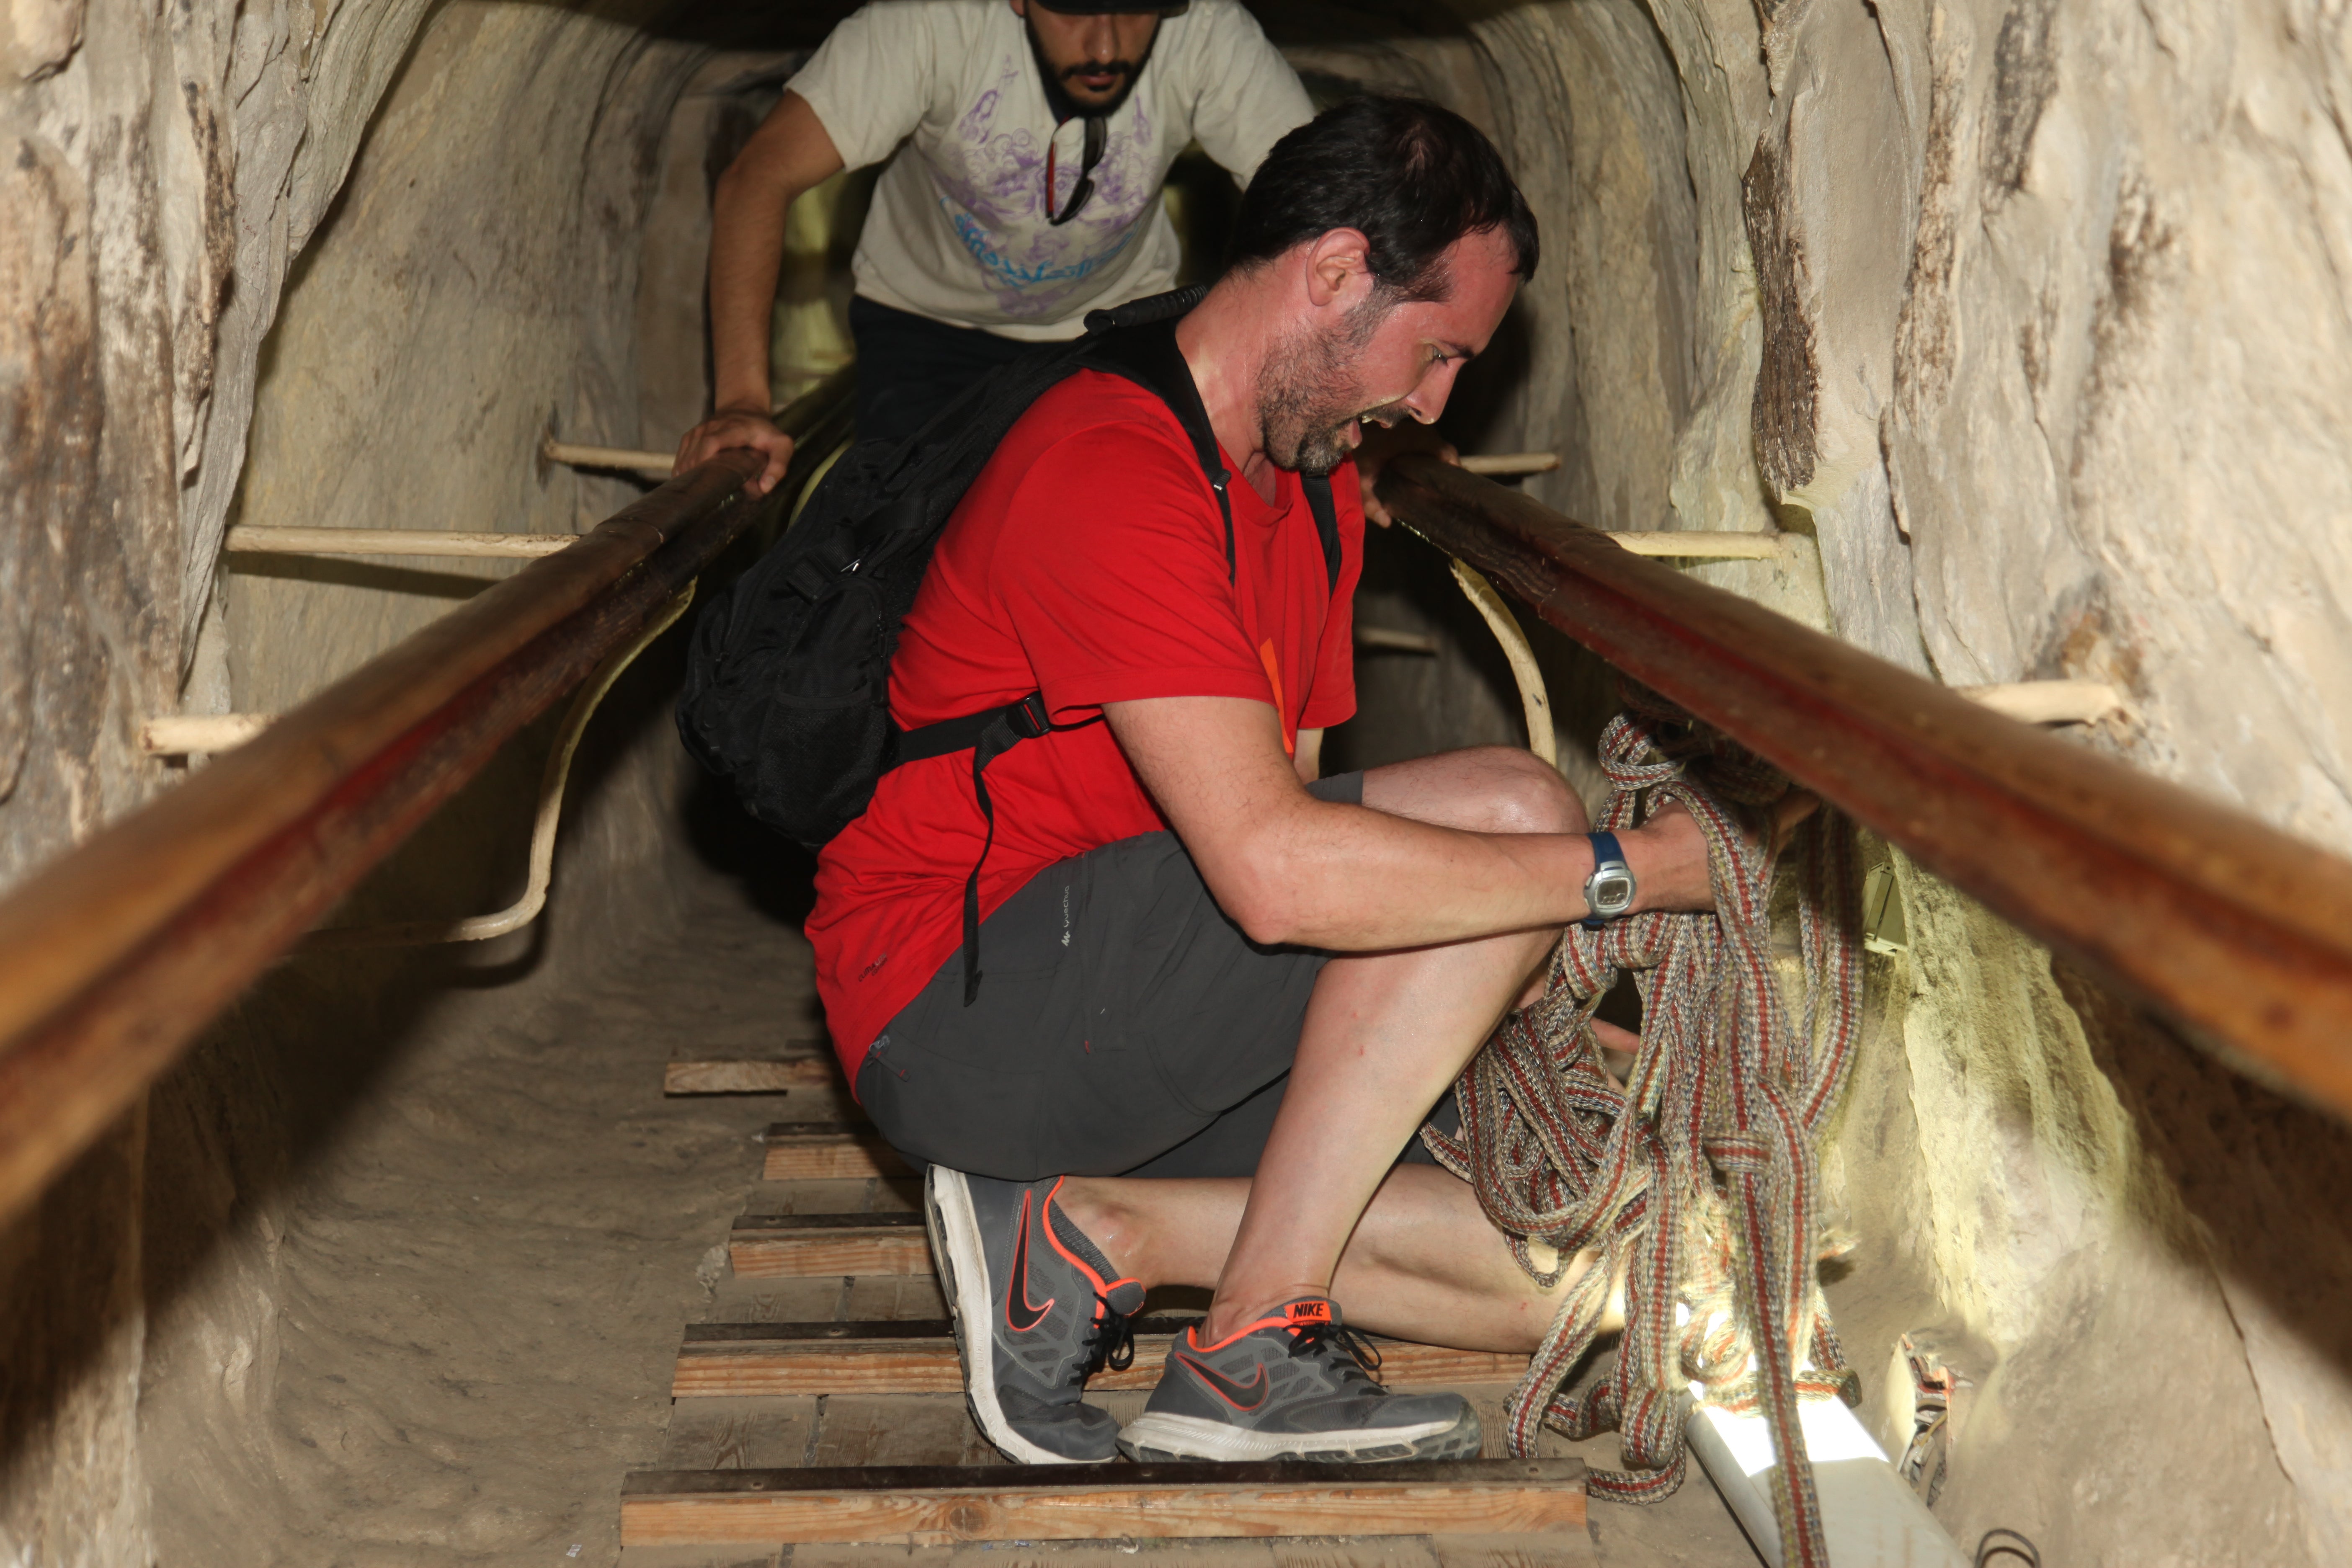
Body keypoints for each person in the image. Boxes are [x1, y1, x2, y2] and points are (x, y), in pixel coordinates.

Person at [804, 95, 1746, 1468]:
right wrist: (1619, 877)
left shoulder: (1304, 498)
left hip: (1131, 1015)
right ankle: (1248, 1344)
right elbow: (1275, 869)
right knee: (1514, 813)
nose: (1431, 404)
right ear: (1330, 275)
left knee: (1591, 1253)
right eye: (1431, 353)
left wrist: (1508, 978)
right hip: (956, 998)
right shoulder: (1106, 464)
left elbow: (1307, 858)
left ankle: (1082, 1235)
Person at [673, 0, 1315, 491]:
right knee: (904, 560)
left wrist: (1351, 405)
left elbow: (1330, 211)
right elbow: (758, 177)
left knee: (1103, 556)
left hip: (1117, 332)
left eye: (1136, 8)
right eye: (1073, 9)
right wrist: (741, 402)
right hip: (926, 329)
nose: (1106, 45)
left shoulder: (1207, 29)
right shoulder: (930, 21)